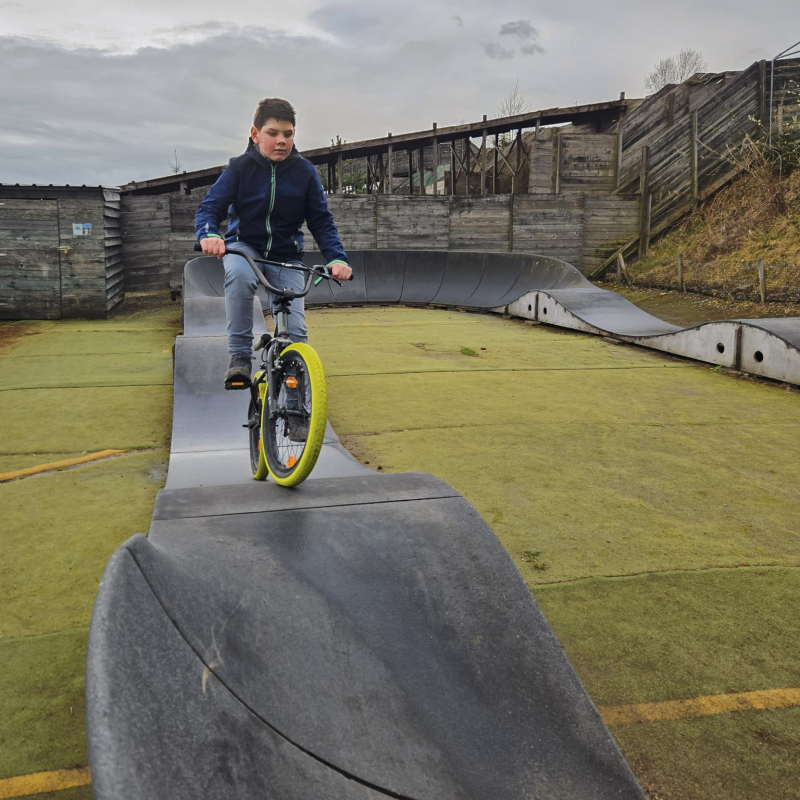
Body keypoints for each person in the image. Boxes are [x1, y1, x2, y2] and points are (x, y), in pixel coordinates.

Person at [195, 97, 352, 388]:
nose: (281, 140)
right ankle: (240, 356)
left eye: (288, 134)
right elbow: (210, 208)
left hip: (286, 255)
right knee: (239, 277)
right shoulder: (239, 168)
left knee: (296, 332)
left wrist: (337, 259)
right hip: (244, 248)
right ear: (255, 134)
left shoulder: (305, 173)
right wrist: (210, 235)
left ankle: (295, 405)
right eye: (273, 133)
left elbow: (321, 220)